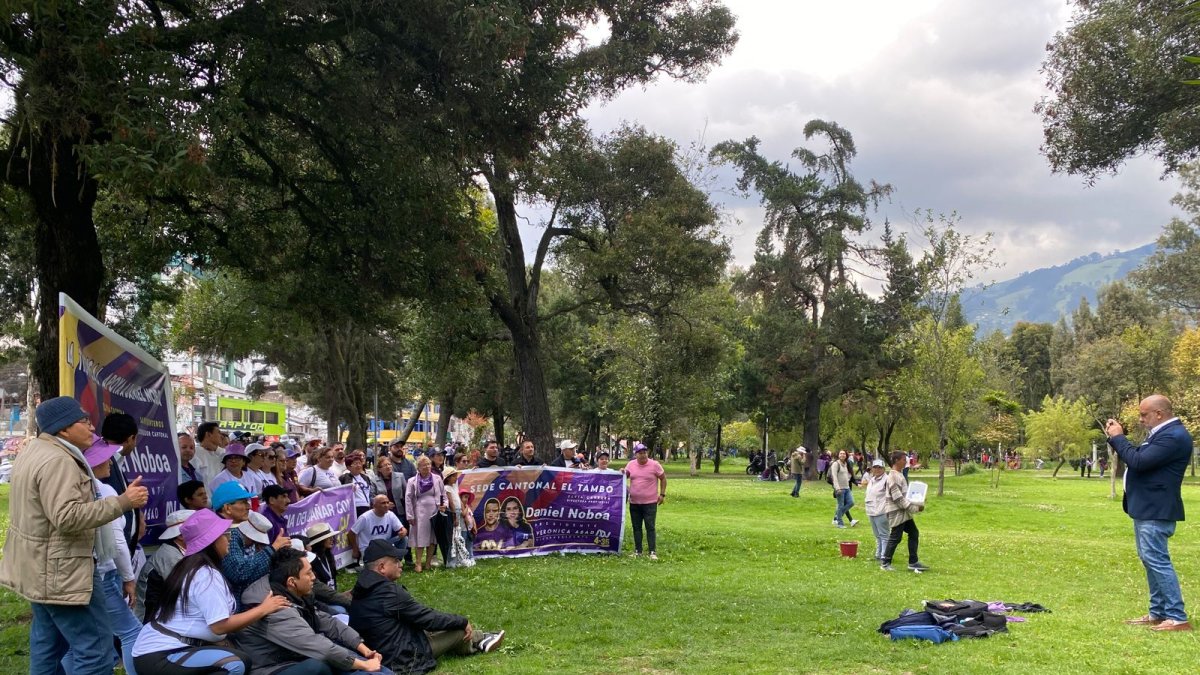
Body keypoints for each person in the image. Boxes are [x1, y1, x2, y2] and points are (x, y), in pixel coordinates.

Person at [0, 396, 149, 675]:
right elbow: (67, 517)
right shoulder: (59, 460)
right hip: (62, 572)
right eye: (84, 421)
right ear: (64, 428)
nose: (92, 428)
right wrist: (123, 502)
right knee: (96, 651)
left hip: (39, 569)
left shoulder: (35, 451)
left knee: (48, 647)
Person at [133, 509, 290, 674]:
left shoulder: (192, 566)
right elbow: (219, 626)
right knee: (236, 663)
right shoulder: (204, 574)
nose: (229, 539)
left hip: (156, 651)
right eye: (224, 535)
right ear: (211, 541)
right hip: (162, 654)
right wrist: (263, 608)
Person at [349, 540, 505, 675]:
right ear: (382, 567)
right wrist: (462, 621)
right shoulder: (388, 592)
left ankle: (479, 638)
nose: (400, 563)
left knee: (439, 627)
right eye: (396, 560)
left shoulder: (361, 587)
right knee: (458, 631)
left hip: (379, 654)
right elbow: (428, 619)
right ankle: (478, 641)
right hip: (402, 659)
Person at [1107, 394, 1194, 631]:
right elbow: (1139, 458)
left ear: (1159, 414)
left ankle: (1177, 617)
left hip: (1156, 509)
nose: (1141, 419)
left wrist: (1118, 437)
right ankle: (1158, 613)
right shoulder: (1161, 435)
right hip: (1147, 507)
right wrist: (1118, 439)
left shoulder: (1173, 436)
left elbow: (1138, 462)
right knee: (1150, 560)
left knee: (1157, 560)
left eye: (1144, 414)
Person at [235, 547, 389, 674]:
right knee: (319, 666)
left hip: (296, 656)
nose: (314, 577)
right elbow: (320, 647)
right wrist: (364, 665)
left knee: (374, 668)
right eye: (308, 573)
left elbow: (327, 621)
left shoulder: (285, 589)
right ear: (292, 582)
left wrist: (364, 649)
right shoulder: (275, 608)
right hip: (272, 668)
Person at [72, 433, 141, 675]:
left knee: (76, 642)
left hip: (81, 574)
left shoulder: (78, 489)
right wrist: (128, 578)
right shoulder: (102, 490)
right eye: (105, 458)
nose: (110, 463)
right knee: (132, 632)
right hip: (105, 572)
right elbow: (118, 543)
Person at [212, 482, 290, 605]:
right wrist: (273, 548)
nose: (248, 506)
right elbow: (240, 573)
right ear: (227, 508)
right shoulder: (226, 534)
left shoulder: (227, 529)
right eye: (243, 502)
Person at [137, 509, 194, 622]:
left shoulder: (182, 551)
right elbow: (189, 592)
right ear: (181, 535)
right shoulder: (170, 556)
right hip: (152, 619)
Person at [879, 451, 927, 573]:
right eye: (903, 459)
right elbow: (898, 499)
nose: (906, 461)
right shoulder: (893, 476)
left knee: (914, 533)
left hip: (904, 512)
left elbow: (906, 495)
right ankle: (885, 563)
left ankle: (913, 562)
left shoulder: (899, 475)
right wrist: (915, 508)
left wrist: (918, 500)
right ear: (896, 461)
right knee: (895, 537)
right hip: (896, 512)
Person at [623, 443, 666, 560]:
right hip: (634, 502)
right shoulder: (631, 465)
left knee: (650, 527)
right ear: (635, 454)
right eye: (640, 453)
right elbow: (623, 477)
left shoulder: (655, 465)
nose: (643, 455)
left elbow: (663, 478)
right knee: (636, 527)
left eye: (645, 453)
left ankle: (652, 551)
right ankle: (638, 551)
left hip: (650, 502)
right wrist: (622, 472)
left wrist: (662, 494)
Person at [405, 455, 447, 573]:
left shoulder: (437, 478)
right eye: (424, 465)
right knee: (420, 537)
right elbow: (408, 498)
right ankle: (418, 562)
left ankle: (428, 562)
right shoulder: (412, 481)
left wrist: (445, 505)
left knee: (432, 538)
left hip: (435, 510)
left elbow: (443, 494)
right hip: (419, 511)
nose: (427, 467)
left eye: (428, 464)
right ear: (418, 467)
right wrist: (410, 515)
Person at [352, 495, 408, 565]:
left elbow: (402, 528)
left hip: (385, 544)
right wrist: (355, 549)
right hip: (370, 547)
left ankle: (396, 561)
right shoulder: (365, 517)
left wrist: (403, 531)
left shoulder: (390, 515)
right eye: (383, 503)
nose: (386, 505)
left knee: (404, 539)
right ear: (374, 505)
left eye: (387, 503)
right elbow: (352, 533)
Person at [443, 469, 476, 568]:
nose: (455, 478)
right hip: (453, 513)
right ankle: (451, 562)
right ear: (448, 478)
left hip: (459, 512)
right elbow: (451, 503)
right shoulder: (447, 488)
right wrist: (455, 516)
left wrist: (464, 511)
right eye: (453, 476)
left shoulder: (454, 487)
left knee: (459, 537)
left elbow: (459, 501)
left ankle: (459, 559)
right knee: (453, 539)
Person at [305, 523, 345, 599]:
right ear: (320, 542)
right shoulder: (311, 561)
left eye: (331, 536)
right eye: (328, 538)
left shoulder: (329, 556)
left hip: (332, 594)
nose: (332, 539)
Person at [861, 459, 890, 561]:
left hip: (882, 511)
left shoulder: (887, 480)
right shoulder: (872, 479)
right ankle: (878, 554)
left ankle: (884, 555)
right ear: (872, 468)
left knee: (884, 535)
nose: (877, 469)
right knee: (877, 535)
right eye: (875, 467)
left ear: (883, 468)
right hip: (871, 511)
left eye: (879, 467)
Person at [193, 422, 227, 490]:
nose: (221, 436)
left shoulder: (220, 452)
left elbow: (234, 459)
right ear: (208, 434)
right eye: (218, 432)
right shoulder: (195, 453)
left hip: (220, 498)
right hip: (205, 498)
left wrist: (216, 449)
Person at [830, 449, 858, 528]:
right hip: (840, 489)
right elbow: (834, 477)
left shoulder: (846, 464)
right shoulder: (835, 464)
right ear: (838, 455)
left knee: (851, 502)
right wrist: (837, 488)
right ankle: (840, 523)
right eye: (841, 453)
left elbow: (848, 475)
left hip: (847, 488)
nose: (842, 455)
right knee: (840, 505)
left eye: (844, 454)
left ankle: (837, 517)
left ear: (846, 455)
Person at [343, 452, 374, 516]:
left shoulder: (365, 477)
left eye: (359, 463)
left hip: (367, 507)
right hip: (354, 508)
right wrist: (348, 490)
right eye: (355, 464)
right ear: (348, 467)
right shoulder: (344, 477)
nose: (358, 465)